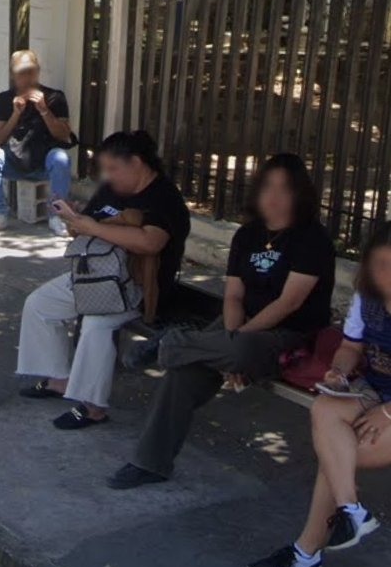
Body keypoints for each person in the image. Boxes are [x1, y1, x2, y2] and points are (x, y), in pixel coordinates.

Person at [109, 153, 335, 490]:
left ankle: (172, 342)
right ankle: (150, 463)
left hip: (289, 333)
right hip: (237, 324)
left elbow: (289, 303)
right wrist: (230, 336)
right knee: (185, 372)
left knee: (238, 351)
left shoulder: (311, 238)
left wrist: (235, 342)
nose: (274, 197)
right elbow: (232, 296)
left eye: (284, 189)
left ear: (300, 194)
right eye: (268, 187)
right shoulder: (248, 234)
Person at [17, 130, 190, 429]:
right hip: (96, 274)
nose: (107, 176)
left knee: (96, 325)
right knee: (39, 303)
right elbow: (87, 225)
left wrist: (93, 228)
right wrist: (75, 221)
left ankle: (92, 406)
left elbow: (150, 242)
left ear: (136, 163)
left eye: (113, 168)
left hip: (136, 287)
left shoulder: (164, 197)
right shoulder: (112, 190)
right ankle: (59, 379)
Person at [247, 221, 391, 567]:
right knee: (325, 409)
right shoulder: (368, 298)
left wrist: (388, 413)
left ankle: (308, 551)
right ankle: (350, 511)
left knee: (339, 453)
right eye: (380, 264)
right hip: (376, 389)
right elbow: (351, 346)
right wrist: (338, 372)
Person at [0, 49, 75, 236]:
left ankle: (56, 216)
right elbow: (0, 138)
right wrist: (16, 114)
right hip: (14, 161)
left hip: (45, 162)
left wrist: (44, 110)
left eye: (31, 71)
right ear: (12, 74)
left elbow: (64, 135)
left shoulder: (55, 97)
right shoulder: (1, 100)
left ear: (38, 70)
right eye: (21, 72)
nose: (27, 77)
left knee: (61, 158)